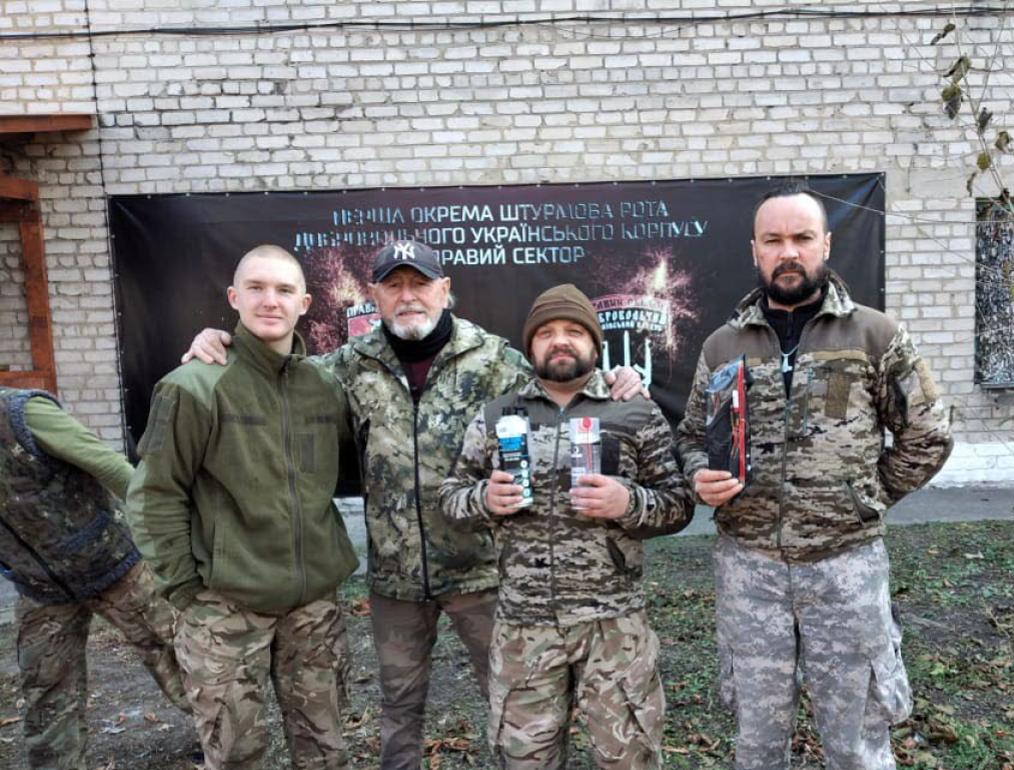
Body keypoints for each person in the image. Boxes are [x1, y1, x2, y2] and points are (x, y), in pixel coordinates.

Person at [184, 240, 644, 770]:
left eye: (420, 284)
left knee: (511, 703)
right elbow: (278, 369)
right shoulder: (348, 366)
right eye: (394, 286)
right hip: (397, 578)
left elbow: (560, 385)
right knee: (399, 707)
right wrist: (221, 339)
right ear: (375, 296)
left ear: (444, 291)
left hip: (483, 572)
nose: (409, 297)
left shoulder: (493, 360)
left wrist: (614, 378)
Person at [675, 182, 954, 770]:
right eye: (774, 240)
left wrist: (866, 496)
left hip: (844, 565)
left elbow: (929, 433)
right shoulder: (724, 344)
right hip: (749, 567)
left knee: (855, 739)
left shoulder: (875, 335)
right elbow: (691, 437)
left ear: (825, 243)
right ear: (754, 249)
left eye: (802, 238)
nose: (788, 252)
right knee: (756, 740)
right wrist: (700, 476)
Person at [440, 284, 693, 769]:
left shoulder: (635, 412)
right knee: (525, 760)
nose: (561, 341)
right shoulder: (497, 416)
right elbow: (451, 498)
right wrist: (484, 499)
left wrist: (629, 501)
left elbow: (679, 503)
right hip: (524, 628)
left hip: (614, 627)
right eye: (547, 332)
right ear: (530, 345)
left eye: (574, 331)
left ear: (595, 345)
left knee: (628, 759)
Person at [127, 244, 359, 770]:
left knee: (325, 751)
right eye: (256, 288)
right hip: (227, 609)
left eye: (283, 290)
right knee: (235, 756)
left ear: (305, 302)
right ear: (234, 297)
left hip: (313, 609)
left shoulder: (324, 387)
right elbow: (154, 495)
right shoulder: (193, 387)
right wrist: (186, 590)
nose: (269, 301)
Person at [0, 387, 190, 770]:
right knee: (46, 689)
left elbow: (110, 466)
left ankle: (222, 737)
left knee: (175, 652)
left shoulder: (21, 413)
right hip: (40, 587)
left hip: (113, 562)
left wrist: (167, 534)